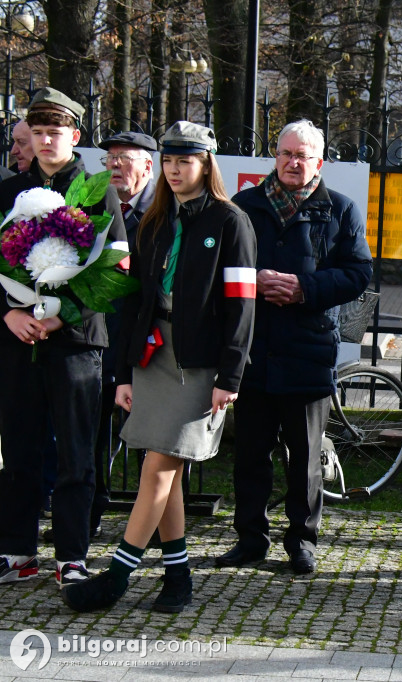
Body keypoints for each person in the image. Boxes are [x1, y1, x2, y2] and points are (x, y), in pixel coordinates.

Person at [61, 121, 257, 613]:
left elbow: (242, 306)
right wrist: (125, 372)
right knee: (162, 467)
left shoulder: (230, 221)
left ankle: (117, 576)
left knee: (157, 465)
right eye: (168, 161)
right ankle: (178, 576)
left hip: (200, 364)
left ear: (206, 163)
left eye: (183, 161)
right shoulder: (153, 220)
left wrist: (230, 377)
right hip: (153, 354)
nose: (173, 171)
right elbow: (137, 301)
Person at [219, 120, 372, 575]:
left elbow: (358, 273)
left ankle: (302, 541)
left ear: (318, 163)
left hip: (308, 349)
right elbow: (223, 266)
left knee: (305, 456)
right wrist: (257, 281)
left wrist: (304, 287)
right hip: (254, 348)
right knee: (249, 452)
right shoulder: (245, 205)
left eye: (302, 156)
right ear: (276, 156)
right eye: (285, 153)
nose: (292, 162)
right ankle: (250, 539)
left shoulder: (341, 210)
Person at [0, 88, 128, 588]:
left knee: (77, 453)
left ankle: (71, 556)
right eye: (38, 132)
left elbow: (116, 268)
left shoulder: (100, 191)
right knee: (21, 450)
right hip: (17, 339)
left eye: (56, 132)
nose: (46, 140)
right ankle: (16, 551)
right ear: (28, 136)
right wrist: (8, 317)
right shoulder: (8, 191)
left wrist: (60, 318)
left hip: (75, 340)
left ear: (75, 136)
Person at [91, 131, 159, 537]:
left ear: (148, 166)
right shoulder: (96, 204)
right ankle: (91, 511)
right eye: (109, 159)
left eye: (124, 158)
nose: (114, 166)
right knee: (92, 432)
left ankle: (155, 521)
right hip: (103, 335)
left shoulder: (166, 211)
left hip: (152, 341)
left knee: (154, 438)